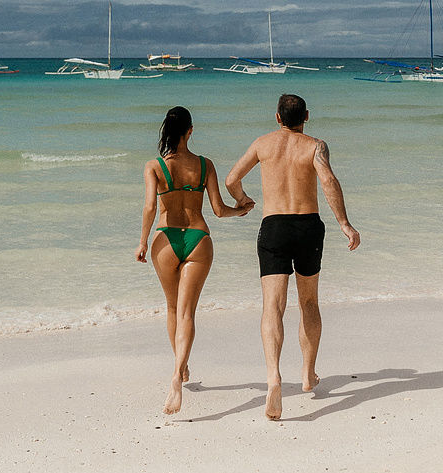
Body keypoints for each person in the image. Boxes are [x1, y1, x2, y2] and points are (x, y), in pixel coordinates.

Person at [224, 93, 360, 420]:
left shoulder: (263, 143)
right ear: (306, 116)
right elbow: (327, 180)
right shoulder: (315, 146)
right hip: (308, 226)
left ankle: (273, 378)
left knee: (273, 306)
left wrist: (243, 201)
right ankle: (308, 373)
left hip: (273, 226)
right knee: (308, 302)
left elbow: (231, 180)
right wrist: (344, 223)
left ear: (277, 118)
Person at [136, 106, 251, 415]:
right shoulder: (204, 165)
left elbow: (150, 207)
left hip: (166, 240)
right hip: (199, 239)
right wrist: (241, 210)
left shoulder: (154, 166)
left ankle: (181, 367)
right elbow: (219, 210)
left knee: (173, 308)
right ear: (190, 131)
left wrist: (143, 242)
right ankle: (178, 372)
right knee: (187, 312)